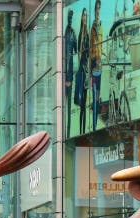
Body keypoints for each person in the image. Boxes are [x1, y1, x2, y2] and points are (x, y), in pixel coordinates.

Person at [89, 0, 103, 131]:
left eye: (99, 8)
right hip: (94, 68)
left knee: (98, 97)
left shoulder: (101, 26)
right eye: (96, 9)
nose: (97, 11)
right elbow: (90, 50)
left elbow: (101, 46)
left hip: (101, 67)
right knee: (94, 97)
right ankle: (94, 126)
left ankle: (97, 125)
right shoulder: (92, 28)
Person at [76, 8, 90, 135]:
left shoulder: (86, 35)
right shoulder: (81, 34)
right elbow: (79, 54)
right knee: (81, 105)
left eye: (86, 15)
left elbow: (88, 54)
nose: (84, 17)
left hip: (85, 70)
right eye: (83, 15)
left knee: (84, 104)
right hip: (81, 71)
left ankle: (83, 131)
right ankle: (81, 130)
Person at [64, 9, 77, 138]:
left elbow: (75, 52)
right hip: (64, 75)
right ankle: (64, 134)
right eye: (69, 18)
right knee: (63, 107)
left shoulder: (72, 33)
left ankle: (67, 134)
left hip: (69, 75)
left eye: (71, 18)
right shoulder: (65, 34)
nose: (70, 20)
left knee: (68, 107)